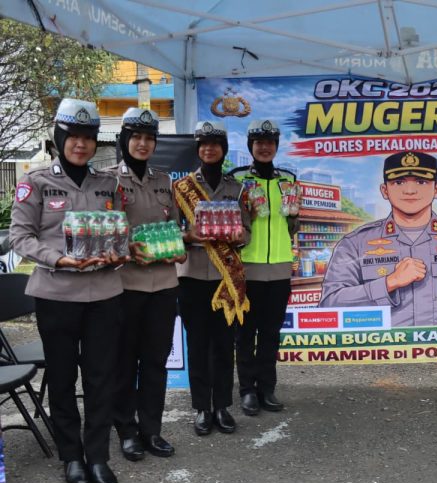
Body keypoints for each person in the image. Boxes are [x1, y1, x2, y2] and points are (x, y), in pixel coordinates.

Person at [10, 99, 125, 483]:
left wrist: (119, 251)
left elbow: (118, 230)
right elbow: (20, 237)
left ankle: (98, 456)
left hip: (104, 293)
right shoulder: (37, 182)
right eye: (72, 136)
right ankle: (71, 457)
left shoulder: (108, 184)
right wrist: (58, 258)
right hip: (56, 294)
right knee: (61, 378)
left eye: (88, 138)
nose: (80, 144)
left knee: (100, 377)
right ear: (59, 139)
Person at [319, 150, 437, 326]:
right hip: (383, 348)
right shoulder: (354, 244)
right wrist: (389, 282)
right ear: (385, 190)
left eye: (421, 182)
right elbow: (330, 303)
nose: (410, 190)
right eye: (398, 182)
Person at [106, 108, 184, 462]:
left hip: (164, 285)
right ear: (124, 140)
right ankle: (126, 430)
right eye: (136, 137)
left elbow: (176, 227)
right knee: (124, 362)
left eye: (149, 138)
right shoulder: (108, 181)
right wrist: (128, 248)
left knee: (155, 361)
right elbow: (104, 233)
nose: (142, 143)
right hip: (125, 285)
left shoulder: (164, 182)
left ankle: (152, 429)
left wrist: (179, 246)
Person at [174, 120, 250, 436]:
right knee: (197, 345)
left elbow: (246, 231)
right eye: (204, 144)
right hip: (191, 276)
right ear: (198, 149)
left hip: (225, 277)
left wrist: (238, 236)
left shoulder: (237, 188)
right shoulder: (181, 188)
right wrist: (188, 236)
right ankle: (202, 408)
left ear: (224, 149)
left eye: (215, 144)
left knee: (223, 344)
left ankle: (222, 406)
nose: (209, 149)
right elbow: (172, 231)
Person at [228, 119, 299, 416]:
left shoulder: (288, 179)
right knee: (245, 333)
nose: (264, 147)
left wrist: (295, 216)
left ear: (276, 146)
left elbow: (292, 222)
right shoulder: (237, 178)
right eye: (259, 142)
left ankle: (267, 388)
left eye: (270, 142)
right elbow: (229, 220)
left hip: (280, 266)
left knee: (271, 332)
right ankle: (247, 390)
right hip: (248, 266)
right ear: (250, 146)